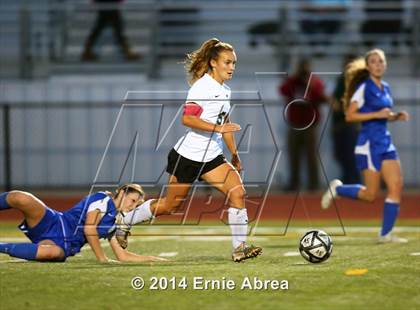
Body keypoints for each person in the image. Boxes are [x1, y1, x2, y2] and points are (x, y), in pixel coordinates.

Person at [113, 38, 262, 262]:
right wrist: (218, 127)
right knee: (171, 206)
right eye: (227, 62)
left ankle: (239, 248)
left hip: (212, 156)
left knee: (238, 193)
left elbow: (225, 123)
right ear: (213, 63)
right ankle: (125, 220)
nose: (232, 67)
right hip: (188, 156)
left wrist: (235, 153)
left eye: (234, 63)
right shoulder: (202, 87)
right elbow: (187, 118)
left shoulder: (225, 90)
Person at [321, 49, 410, 243]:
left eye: (381, 61)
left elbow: (383, 114)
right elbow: (350, 115)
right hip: (369, 145)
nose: (378, 65)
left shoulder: (385, 87)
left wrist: (395, 116)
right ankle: (339, 190)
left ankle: (385, 234)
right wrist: (377, 115)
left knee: (396, 186)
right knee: (370, 195)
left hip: (385, 142)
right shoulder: (363, 88)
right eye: (374, 62)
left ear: (385, 65)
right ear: (368, 66)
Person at [0, 183, 165, 262]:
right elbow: (89, 229)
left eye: (136, 204)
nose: (132, 206)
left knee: (51, 254)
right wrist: (102, 258)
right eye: (132, 200)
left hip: (64, 244)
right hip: (55, 221)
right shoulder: (102, 199)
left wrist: (151, 258)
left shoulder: (114, 223)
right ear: (122, 192)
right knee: (20, 198)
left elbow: (122, 256)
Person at [279, 58, 327, 191]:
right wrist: (295, 79)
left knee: (311, 155)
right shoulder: (293, 81)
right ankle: (294, 183)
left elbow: (321, 95)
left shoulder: (314, 81)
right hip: (294, 124)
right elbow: (282, 90)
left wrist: (309, 84)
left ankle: (314, 184)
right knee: (294, 155)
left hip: (310, 125)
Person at [331, 54, 360, 184]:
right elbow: (335, 98)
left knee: (350, 153)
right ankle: (348, 178)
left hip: (351, 123)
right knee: (340, 153)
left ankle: (353, 180)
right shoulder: (341, 79)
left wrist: (340, 105)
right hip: (339, 123)